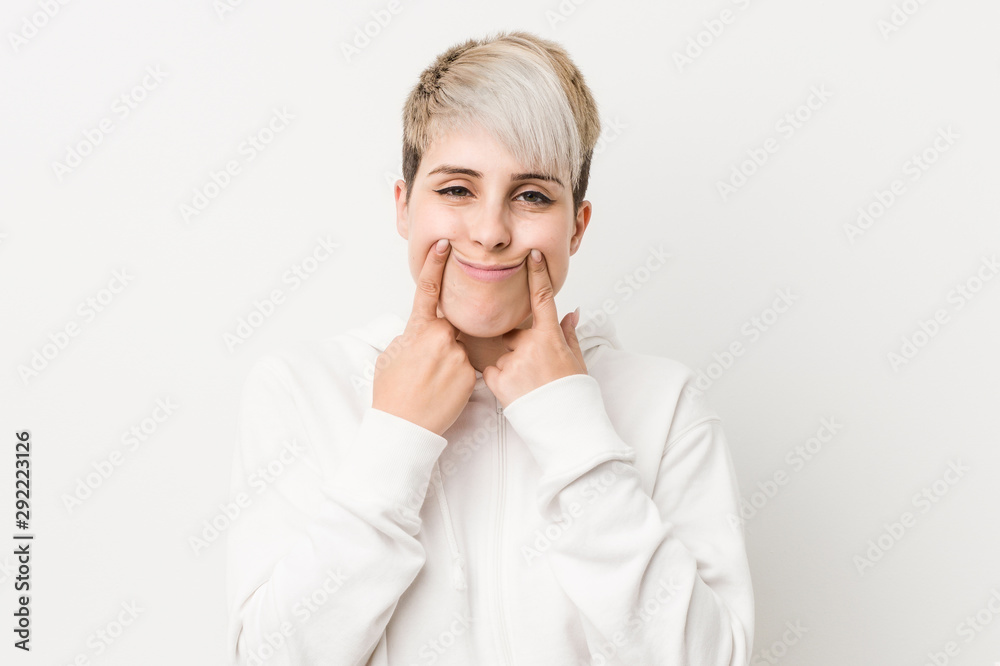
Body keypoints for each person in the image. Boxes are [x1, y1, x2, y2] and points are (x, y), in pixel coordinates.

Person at [226, 29, 754, 666]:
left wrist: (570, 424)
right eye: (456, 190)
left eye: (531, 195)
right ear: (404, 207)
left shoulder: (665, 405)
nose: (491, 231)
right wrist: (396, 436)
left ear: (577, 227)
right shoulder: (300, 389)